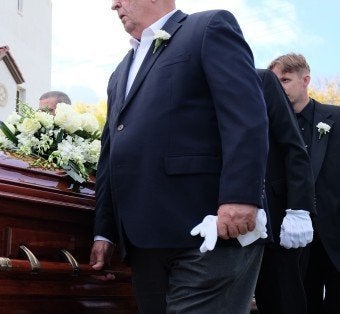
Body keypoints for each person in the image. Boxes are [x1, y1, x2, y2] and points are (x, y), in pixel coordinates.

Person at [90, 1, 269, 313]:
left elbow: (245, 115)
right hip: (144, 241)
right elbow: (111, 152)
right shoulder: (120, 72)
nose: (114, 4)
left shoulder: (208, 28)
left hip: (209, 229)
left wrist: (241, 196)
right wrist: (104, 229)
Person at [269, 53, 340, 314]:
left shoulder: (336, 117)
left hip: (334, 236)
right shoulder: (267, 128)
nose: (279, 88)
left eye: (285, 80)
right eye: (275, 83)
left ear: (305, 80)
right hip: (290, 243)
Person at [254, 68, 316, 314]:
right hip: (213, 218)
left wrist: (299, 209)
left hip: (276, 217)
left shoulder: (261, 80)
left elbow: (294, 149)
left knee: (281, 299)